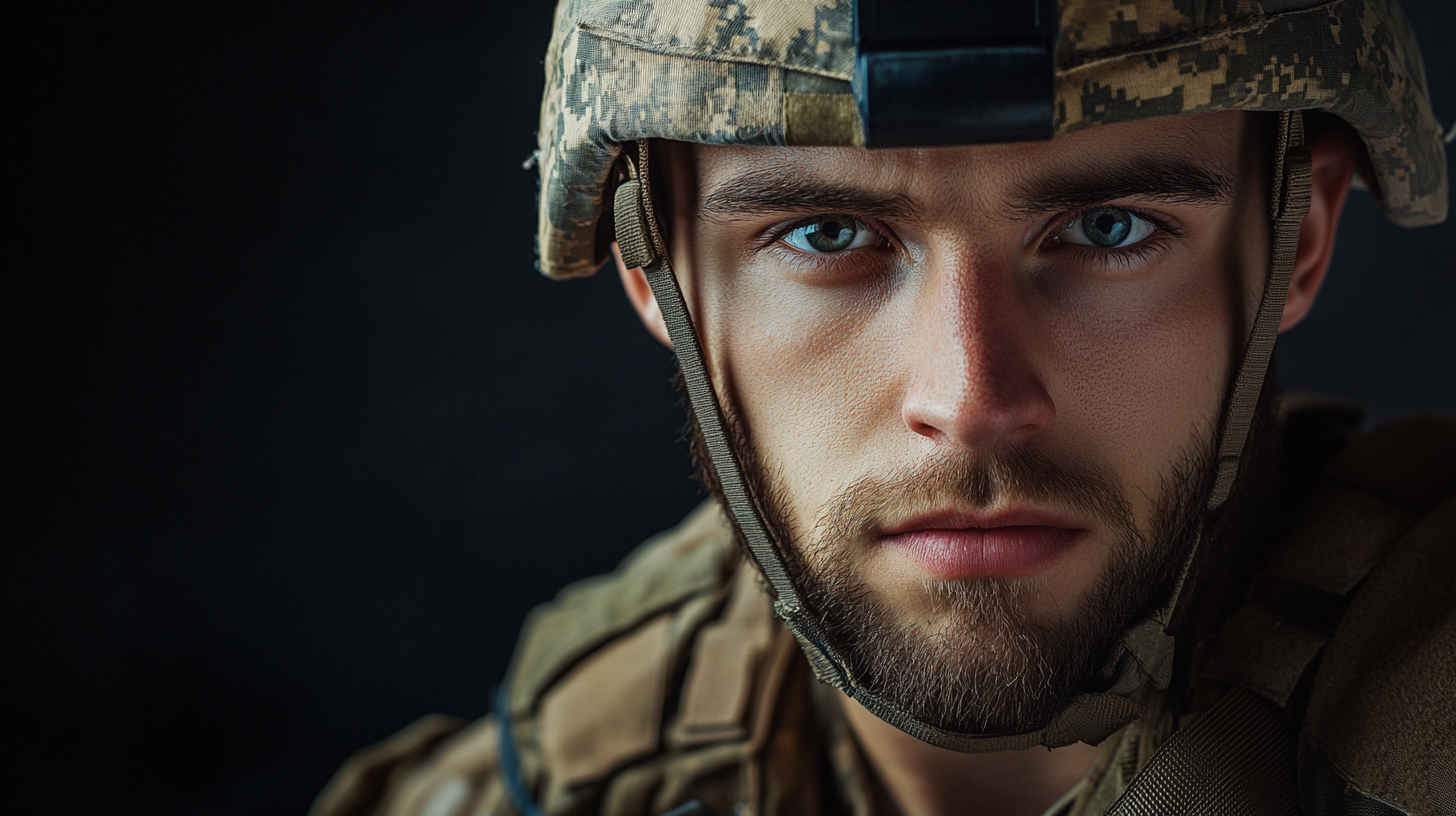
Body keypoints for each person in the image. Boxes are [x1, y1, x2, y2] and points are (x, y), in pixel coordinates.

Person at [310, 1, 1454, 814]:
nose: (970, 403)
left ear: (1295, 243)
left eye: (1110, 229)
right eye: (827, 235)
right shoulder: (578, 763)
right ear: (651, 271)